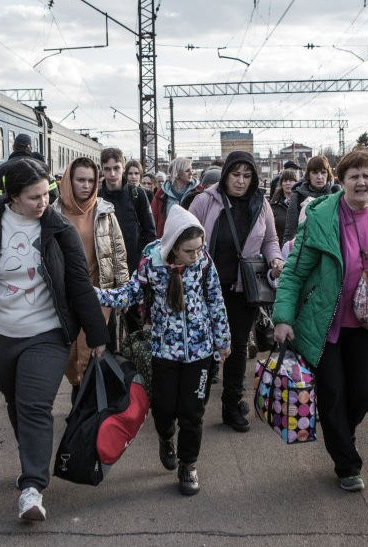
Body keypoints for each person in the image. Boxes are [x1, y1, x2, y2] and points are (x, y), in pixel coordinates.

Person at [0, 157, 107, 522]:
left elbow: (79, 286)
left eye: (46, 195)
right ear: (13, 197)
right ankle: (31, 456)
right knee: (17, 402)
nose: (43, 203)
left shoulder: (58, 227)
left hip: (47, 333)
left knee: (35, 405)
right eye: (34, 197)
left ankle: (32, 487)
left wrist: (97, 337)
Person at [272, 148, 368, 492]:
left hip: (367, 324)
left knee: (363, 393)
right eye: (354, 176)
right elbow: (293, 272)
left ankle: (340, 431)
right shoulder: (323, 217)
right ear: (342, 181)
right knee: (333, 391)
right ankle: (347, 464)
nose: (361, 182)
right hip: (326, 325)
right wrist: (283, 317)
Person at [96, 205, 230, 496]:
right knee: (165, 407)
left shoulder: (204, 262)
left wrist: (223, 340)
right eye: (189, 251)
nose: (196, 256)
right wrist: (95, 294)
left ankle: (188, 464)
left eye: (199, 249)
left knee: (192, 412)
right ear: (172, 247)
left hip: (200, 352)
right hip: (164, 351)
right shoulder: (150, 261)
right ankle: (166, 437)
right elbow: (130, 293)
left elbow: (216, 301)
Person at [188, 151, 283, 432]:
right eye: (235, 174)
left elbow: (270, 239)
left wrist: (276, 258)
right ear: (226, 174)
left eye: (246, 175)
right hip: (208, 289)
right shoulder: (205, 200)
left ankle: (232, 405)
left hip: (245, 289)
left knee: (238, 347)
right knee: (205, 347)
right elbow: (183, 234)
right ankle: (195, 404)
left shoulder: (260, 203)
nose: (240, 181)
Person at [51, 157, 128, 387]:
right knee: (71, 354)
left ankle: (87, 407)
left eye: (91, 181)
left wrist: (123, 289)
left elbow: (118, 251)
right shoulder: (53, 213)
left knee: (91, 350)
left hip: (98, 291)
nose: (86, 185)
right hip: (66, 295)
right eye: (80, 180)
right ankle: (79, 392)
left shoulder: (104, 211)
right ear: (68, 180)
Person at [98, 148, 156, 277]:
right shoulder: (97, 197)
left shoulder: (137, 194)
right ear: (102, 169)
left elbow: (150, 232)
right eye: (107, 169)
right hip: (106, 269)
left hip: (134, 266)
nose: (112, 174)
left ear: (123, 168)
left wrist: (145, 263)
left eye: (116, 168)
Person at [283, 155, 339, 243]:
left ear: (328, 175)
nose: (319, 177)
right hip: (305, 247)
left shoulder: (335, 195)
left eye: (323, 172)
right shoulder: (298, 196)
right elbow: (290, 230)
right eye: (315, 172)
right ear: (308, 175)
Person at [151, 157, 198, 237]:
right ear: (177, 174)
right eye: (187, 171)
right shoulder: (161, 194)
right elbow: (153, 218)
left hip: (193, 238)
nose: (191, 173)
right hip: (168, 239)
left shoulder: (198, 191)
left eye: (191, 169)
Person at [0, 134, 35, 202]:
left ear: (13, 147)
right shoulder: (41, 167)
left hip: (10, 211)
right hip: (36, 211)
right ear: (30, 148)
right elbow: (53, 194)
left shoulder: (1, 169)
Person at [270, 168, 298, 242]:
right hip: (279, 247)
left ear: (296, 183)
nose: (288, 183)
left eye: (291, 180)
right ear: (281, 184)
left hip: (297, 247)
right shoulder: (274, 204)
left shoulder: (301, 203)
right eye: (285, 181)